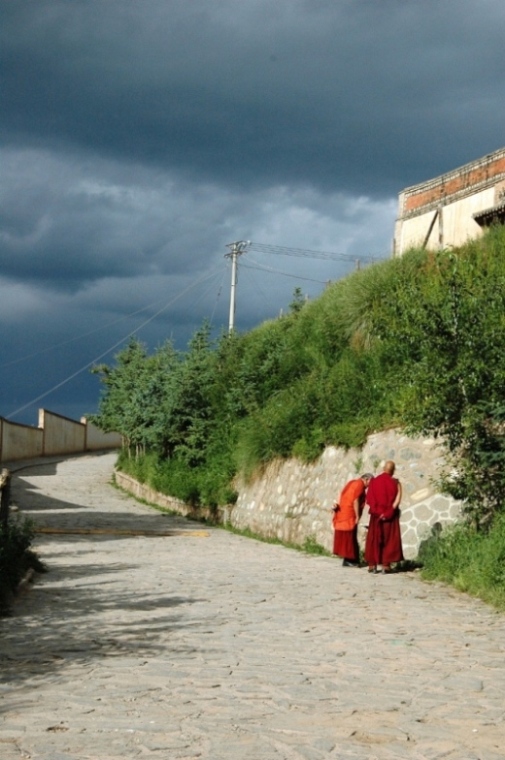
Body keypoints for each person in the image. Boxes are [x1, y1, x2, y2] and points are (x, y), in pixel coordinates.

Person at [364, 460, 403, 574]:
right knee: (389, 539)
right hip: (389, 515)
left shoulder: (374, 482)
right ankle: (386, 565)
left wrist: (378, 512)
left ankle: (372, 565)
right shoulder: (395, 482)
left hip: (376, 516)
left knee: (373, 539)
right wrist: (389, 511)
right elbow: (398, 499)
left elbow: (370, 500)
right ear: (393, 470)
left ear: (383, 468)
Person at [332, 473, 373, 567]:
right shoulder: (359, 484)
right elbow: (356, 500)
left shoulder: (352, 482)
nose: (370, 485)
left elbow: (342, 494)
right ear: (366, 479)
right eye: (370, 482)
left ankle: (349, 560)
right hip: (349, 514)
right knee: (350, 538)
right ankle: (350, 560)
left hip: (343, 512)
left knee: (350, 538)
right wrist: (357, 515)